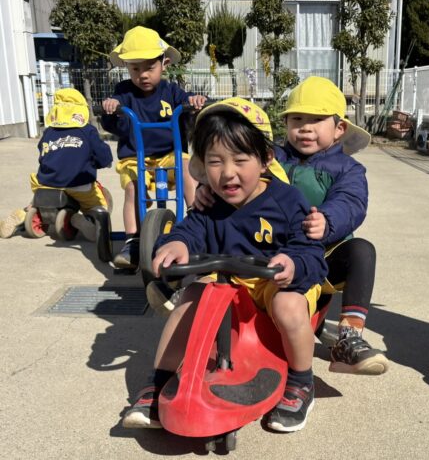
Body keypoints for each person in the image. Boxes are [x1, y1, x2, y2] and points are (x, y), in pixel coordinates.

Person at [122, 99, 328, 433]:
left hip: (279, 282)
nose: (228, 172)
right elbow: (189, 231)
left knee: (287, 306)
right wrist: (176, 244)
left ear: (265, 159)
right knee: (192, 297)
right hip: (231, 284)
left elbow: (310, 250)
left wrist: (292, 262)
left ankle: (302, 381)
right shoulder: (209, 203)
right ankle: (158, 381)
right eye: (215, 161)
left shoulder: (288, 201)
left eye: (240, 160)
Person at [191, 76, 389, 375]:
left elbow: (351, 201)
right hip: (269, 250)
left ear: (339, 128)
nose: (305, 128)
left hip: (320, 253)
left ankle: (349, 336)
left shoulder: (348, 169)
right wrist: (206, 187)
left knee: (361, 251)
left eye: (316, 120)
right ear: (285, 124)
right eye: (297, 119)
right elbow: (234, 172)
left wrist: (328, 219)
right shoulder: (272, 156)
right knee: (214, 235)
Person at [101, 26, 206, 269]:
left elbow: (188, 103)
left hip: (170, 154)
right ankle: (133, 241)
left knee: (189, 170)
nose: (143, 75)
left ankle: (198, 222)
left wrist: (194, 102)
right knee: (132, 189)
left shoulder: (172, 91)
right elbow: (115, 123)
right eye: (135, 69)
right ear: (127, 67)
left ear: (164, 64)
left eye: (149, 67)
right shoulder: (123, 93)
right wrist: (111, 108)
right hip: (135, 157)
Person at [0, 88, 112, 240]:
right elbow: (102, 154)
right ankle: (89, 221)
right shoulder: (87, 130)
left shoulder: (49, 131)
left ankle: (23, 213)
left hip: (46, 182)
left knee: (37, 202)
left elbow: (42, 150)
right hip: (78, 183)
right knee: (97, 205)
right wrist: (104, 162)